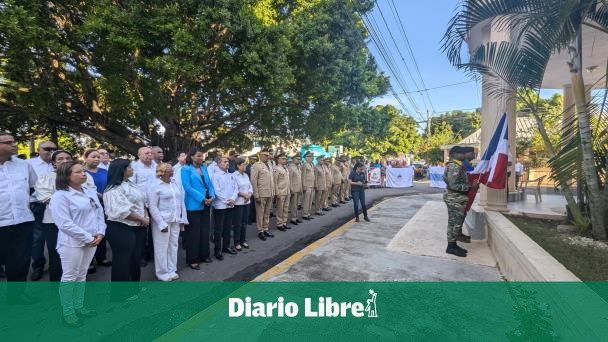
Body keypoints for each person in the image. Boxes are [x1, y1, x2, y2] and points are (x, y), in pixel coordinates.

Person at [49, 161, 105, 327]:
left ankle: (79, 306)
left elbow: (99, 213)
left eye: (83, 171)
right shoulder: (60, 196)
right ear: (66, 176)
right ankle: (68, 312)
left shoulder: (88, 191)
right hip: (72, 243)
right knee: (70, 277)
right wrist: (88, 237)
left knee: (81, 275)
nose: (84, 174)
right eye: (78, 172)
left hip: (93, 239)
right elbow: (64, 223)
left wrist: (101, 232)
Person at [0, 131, 38, 304]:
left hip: (23, 221)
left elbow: (34, 187)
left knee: (20, 261)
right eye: (8, 142)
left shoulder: (24, 165)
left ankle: (17, 296)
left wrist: (28, 201)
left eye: (13, 141)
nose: (14, 144)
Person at [103, 159, 149, 301]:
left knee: (135, 259)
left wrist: (145, 214)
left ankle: (134, 287)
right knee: (122, 261)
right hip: (121, 228)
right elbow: (122, 211)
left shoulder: (130, 183)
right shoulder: (113, 189)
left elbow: (141, 202)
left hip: (137, 227)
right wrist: (142, 219)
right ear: (121, 170)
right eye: (129, 167)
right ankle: (120, 295)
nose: (132, 168)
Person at [34, 150, 75, 281]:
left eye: (68, 158)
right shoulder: (45, 177)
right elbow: (46, 198)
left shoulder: (81, 175)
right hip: (53, 222)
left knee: (75, 254)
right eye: (60, 159)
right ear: (53, 162)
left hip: (78, 221)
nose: (65, 161)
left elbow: (90, 195)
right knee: (57, 254)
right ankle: (57, 287)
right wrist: (74, 201)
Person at [147, 163, 188, 281]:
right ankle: (162, 273)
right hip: (163, 221)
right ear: (162, 172)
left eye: (172, 169)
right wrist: (160, 223)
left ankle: (171, 269)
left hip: (175, 219)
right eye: (169, 170)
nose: (172, 171)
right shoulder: (155, 185)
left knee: (173, 245)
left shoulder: (174, 183)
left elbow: (180, 201)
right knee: (161, 247)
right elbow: (153, 207)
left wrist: (182, 218)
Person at [28, 140, 58, 281]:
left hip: (58, 205)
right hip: (37, 205)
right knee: (38, 238)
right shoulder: (29, 164)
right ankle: (38, 266)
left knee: (57, 237)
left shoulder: (58, 163)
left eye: (54, 148)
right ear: (39, 149)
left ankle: (58, 266)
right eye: (47, 148)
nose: (50, 151)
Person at [181, 148, 215, 269]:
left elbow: (209, 184)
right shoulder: (185, 169)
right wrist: (202, 198)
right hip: (194, 205)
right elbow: (187, 187)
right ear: (192, 156)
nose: (201, 158)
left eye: (202, 156)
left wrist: (212, 196)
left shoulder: (204, 168)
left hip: (207, 203)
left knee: (205, 231)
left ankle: (204, 255)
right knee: (193, 234)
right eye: (199, 156)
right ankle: (192, 259)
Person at [83, 148, 111, 269]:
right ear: (86, 158)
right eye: (93, 156)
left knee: (101, 229)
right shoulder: (82, 172)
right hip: (89, 205)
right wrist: (101, 195)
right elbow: (87, 189)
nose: (96, 159)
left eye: (98, 157)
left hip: (105, 205)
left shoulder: (104, 171)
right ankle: (88, 262)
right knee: (90, 231)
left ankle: (101, 257)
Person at [442, 146, 473, 258]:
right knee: (454, 223)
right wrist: (469, 187)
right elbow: (453, 184)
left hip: (455, 197)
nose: (463, 155)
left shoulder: (455, 165)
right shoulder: (454, 167)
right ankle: (451, 247)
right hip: (454, 198)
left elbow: (445, 179)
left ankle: (453, 244)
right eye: (460, 153)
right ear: (454, 154)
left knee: (455, 223)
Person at [130, 146, 156, 266]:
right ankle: (140, 256)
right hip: (140, 205)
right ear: (139, 155)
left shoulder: (155, 165)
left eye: (151, 153)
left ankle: (152, 253)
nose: (149, 155)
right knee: (141, 232)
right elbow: (131, 187)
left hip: (155, 203)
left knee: (154, 230)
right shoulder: (134, 167)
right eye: (146, 153)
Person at [211, 157, 238, 259]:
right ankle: (217, 251)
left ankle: (226, 246)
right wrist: (228, 201)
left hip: (230, 205)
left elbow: (236, 188)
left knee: (227, 227)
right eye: (224, 162)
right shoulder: (216, 176)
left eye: (228, 162)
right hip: (220, 206)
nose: (227, 163)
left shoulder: (231, 175)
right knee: (219, 229)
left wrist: (232, 199)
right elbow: (217, 192)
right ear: (219, 164)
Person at [251, 150, 275, 240]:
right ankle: (260, 231)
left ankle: (265, 229)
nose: (267, 157)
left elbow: (272, 180)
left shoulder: (270, 165)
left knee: (267, 213)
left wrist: (274, 192)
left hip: (270, 193)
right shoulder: (256, 165)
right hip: (261, 193)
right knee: (260, 213)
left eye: (268, 155)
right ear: (260, 155)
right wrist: (256, 195)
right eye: (265, 155)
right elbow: (253, 181)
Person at [232, 158, 252, 251]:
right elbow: (234, 189)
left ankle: (243, 240)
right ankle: (236, 242)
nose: (245, 166)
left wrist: (249, 194)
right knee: (238, 223)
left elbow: (250, 187)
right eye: (243, 164)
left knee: (244, 222)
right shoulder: (233, 176)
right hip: (238, 202)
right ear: (238, 166)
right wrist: (244, 195)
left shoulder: (246, 175)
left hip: (246, 201)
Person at [273, 153, 291, 231]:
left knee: (286, 208)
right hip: (281, 191)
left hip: (287, 191)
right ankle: (279, 224)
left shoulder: (286, 168)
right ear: (278, 160)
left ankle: (284, 222)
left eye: (285, 159)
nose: (285, 160)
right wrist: (277, 193)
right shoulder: (276, 168)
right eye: (283, 159)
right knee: (280, 209)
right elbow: (275, 182)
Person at [288, 154, 303, 226]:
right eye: (297, 159)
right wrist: (291, 189)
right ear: (293, 159)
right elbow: (289, 180)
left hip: (298, 188)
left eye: (299, 159)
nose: (299, 160)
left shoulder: (298, 167)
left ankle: (296, 217)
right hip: (294, 189)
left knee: (296, 204)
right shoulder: (291, 167)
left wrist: (301, 188)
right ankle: (293, 218)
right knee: (293, 205)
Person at [301, 151, 316, 220]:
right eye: (309, 156)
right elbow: (303, 176)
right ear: (306, 158)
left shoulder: (312, 164)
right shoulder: (304, 165)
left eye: (312, 157)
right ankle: (305, 214)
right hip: (307, 185)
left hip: (312, 185)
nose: (311, 158)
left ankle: (308, 213)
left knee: (310, 200)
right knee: (306, 200)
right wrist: (304, 185)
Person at [246, 155, 258, 224]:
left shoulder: (256, 166)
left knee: (255, 205)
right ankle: (249, 219)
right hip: (250, 188)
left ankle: (254, 218)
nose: (253, 161)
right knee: (250, 205)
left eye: (255, 160)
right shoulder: (248, 167)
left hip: (255, 187)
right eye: (252, 159)